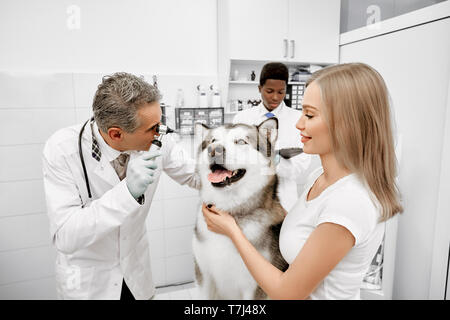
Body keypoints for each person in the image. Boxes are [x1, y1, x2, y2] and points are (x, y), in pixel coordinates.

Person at [203, 63, 403, 300]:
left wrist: (232, 231)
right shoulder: (320, 177)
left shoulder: (350, 201)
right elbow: (306, 231)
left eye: (309, 115)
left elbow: (286, 292)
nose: (299, 124)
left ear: (347, 124)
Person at [42, 72, 200, 300]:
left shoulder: (158, 140)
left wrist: (238, 170)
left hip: (136, 272)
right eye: (153, 128)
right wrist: (127, 193)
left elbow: (195, 175)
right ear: (116, 134)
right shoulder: (62, 150)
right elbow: (66, 236)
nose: (162, 132)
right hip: (90, 282)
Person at [233, 62, 311, 212]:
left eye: (281, 92)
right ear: (259, 88)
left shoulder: (297, 120)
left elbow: (300, 166)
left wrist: (273, 161)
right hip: (248, 197)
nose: (275, 97)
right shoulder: (242, 118)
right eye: (269, 91)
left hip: (283, 198)